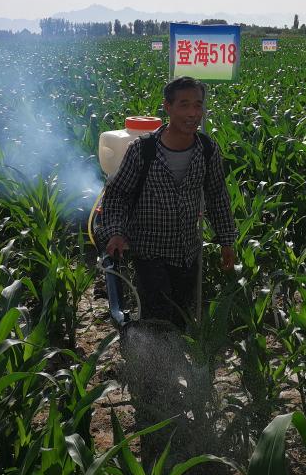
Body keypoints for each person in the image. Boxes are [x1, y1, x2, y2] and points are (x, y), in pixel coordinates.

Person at [95, 75, 237, 329]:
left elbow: (217, 196)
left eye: (198, 105)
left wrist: (226, 240)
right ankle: (153, 353)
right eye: (184, 105)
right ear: (167, 107)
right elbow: (117, 194)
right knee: (157, 317)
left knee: (181, 316)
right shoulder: (143, 150)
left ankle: (175, 350)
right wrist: (115, 232)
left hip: (187, 253)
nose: (193, 113)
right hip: (150, 252)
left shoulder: (207, 149)